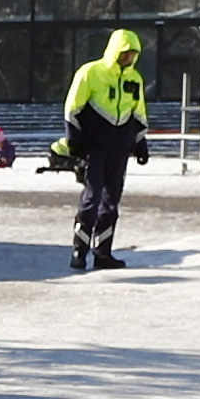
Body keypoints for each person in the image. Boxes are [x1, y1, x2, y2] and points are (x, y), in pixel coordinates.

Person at [59, 27, 153, 270]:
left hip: (119, 150)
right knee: (92, 199)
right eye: (125, 53)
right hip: (94, 149)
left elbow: (139, 112)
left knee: (111, 203)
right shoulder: (91, 72)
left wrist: (140, 143)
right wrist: (75, 141)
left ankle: (103, 253)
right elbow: (72, 107)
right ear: (115, 51)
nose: (129, 58)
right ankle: (79, 252)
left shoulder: (135, 79)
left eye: (133, 54)